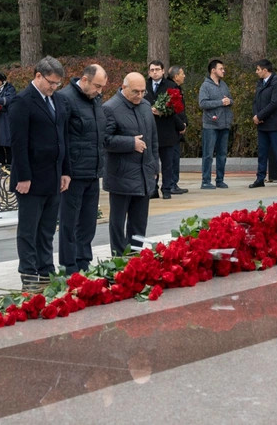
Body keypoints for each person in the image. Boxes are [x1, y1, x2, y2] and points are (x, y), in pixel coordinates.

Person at [9, 56, 71, 290]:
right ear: (38, 76)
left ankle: (46, 269)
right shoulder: (22, 102)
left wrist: (66, 170)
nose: (54, 87)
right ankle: (29, 272)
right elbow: (18, 143)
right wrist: (24, 176)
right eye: (51, 82)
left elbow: (63, 137)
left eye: (57, 84)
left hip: (54, 176)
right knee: (29, 229)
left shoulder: (57, 101)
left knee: (46, 228)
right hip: (31, 179)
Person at [56, 64, 107, 274]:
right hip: (73, 173)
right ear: (84, 80)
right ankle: (69, 266)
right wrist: (64, 170)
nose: (100, 91)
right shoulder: (65, 98)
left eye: (103, 87)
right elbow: (61, 138)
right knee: (69, 222)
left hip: (93, 171)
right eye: (97, 86)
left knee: (88, 221)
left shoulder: (96, 99)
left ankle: (84, 261)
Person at [103, 72, 159, 254]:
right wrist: (130, 143)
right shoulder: (110, 108)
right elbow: (104, 139)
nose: (140, 96)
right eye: (136, 92)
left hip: (144, 174)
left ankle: (136, 256)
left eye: (143, 91)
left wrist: (154, 168)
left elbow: (153, 140)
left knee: (139, 221)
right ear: (124, 87)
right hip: (121, 175)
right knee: (118, 222)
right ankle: (119, 259)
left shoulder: (145, 106)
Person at [145, 60, 185, 199]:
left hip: (167, 130)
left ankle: (167, 189)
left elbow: (178, 107)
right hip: (150, 130)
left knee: (167, 163)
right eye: (152, 70)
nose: (154, 72)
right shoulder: (144, 85)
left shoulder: (171, 85)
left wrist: (163, 111)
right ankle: (153, 189)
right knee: (151, 162)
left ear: (163, 71)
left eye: (157, 69)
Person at [249, 59, 277, 188]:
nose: (256, 72)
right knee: (262, 153)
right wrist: (256, 116)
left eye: (258, 69)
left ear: (265, 70)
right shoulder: (260, 83)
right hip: (262, 124)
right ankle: (260, 178)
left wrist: (260, 115)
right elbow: (256, 101)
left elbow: (274, 103)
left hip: (274, 123)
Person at [199, 59, 234, 189]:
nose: (223, 70)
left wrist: (229, 101)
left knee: (222, 154)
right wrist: (220, 102)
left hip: (224, 124)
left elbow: (231, 100)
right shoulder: (205, 86)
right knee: (208, 154)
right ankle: (205, 181)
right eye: (221, 68)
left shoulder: (224, 85)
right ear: (213, 70)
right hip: (210, 125)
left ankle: (220, 179)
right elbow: (202, 103)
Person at [167, 65, 188, 194]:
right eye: (182, 73)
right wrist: (181, 125)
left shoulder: (177, 88)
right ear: (175, 77)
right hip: (174, 129)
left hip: (177, 128)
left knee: (174, 156)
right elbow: (175, 110)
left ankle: (173, 183)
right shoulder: (172, 89)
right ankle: (171, 184)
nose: (184, 76)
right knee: (172, 157)